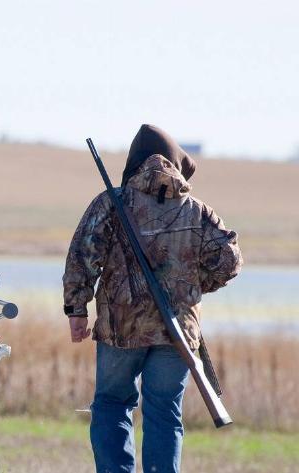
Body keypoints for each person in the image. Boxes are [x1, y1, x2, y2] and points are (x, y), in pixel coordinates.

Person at [63, 124, 242, 473]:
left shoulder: (112, 202)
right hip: (177, 335)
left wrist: (76, 308)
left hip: (120, 330)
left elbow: (82, 256)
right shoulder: (198, 212)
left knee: (113, 405)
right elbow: (229, 260)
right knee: (164, 413)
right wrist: (192, 287)